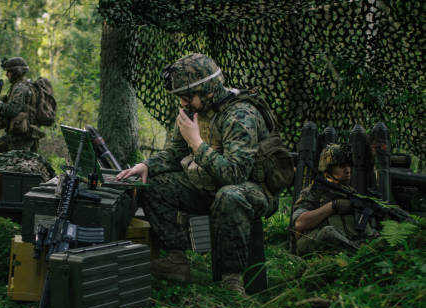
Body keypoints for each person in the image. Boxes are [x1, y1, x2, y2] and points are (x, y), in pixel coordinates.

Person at [117, 53, 278, 295]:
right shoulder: (194, 112)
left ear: (208, 91)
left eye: (187, 96)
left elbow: (235, 174)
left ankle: (231, 279)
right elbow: (174, 153)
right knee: (154, 185)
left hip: (251, 190)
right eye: (180, 97)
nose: (183, 103)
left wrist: (196, 142)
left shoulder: (240, 115)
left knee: (229, 196)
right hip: (209, 185)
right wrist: (148, 165)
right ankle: (176, 260)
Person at [292, 143, 378, 256]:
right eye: (342, 166)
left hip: (349, 242)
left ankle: (359, 252)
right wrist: (333, 206)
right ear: (328, 169)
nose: (348, 170)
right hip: (316, 242)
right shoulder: (314, 191)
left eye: (349, 165)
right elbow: (299, 223)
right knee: (328, 233)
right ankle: (361, 255)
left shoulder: (352, 192)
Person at [0, 57, 45, 157]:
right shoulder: (26, 85)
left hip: (18, 140)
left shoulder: (20, 88)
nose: (6, 74)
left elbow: (13, 110)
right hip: (25, 137)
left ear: (16, 72)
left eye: (9, 72)